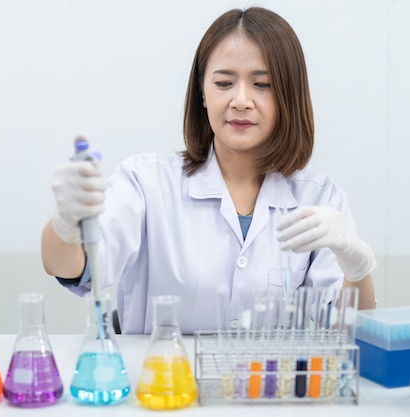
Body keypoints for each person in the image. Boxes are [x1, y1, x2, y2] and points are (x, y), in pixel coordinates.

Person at [40, 7, 377, 335]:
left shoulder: (319, 198)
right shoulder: (146, 183)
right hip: (165, 385)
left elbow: (349, 332)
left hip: (267, 390)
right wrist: (67, 225)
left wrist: (357, 264)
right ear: (203, 92)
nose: (241, 100)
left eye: (262, 84)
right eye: (224, 83)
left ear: (288, 95)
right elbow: (70, 266)